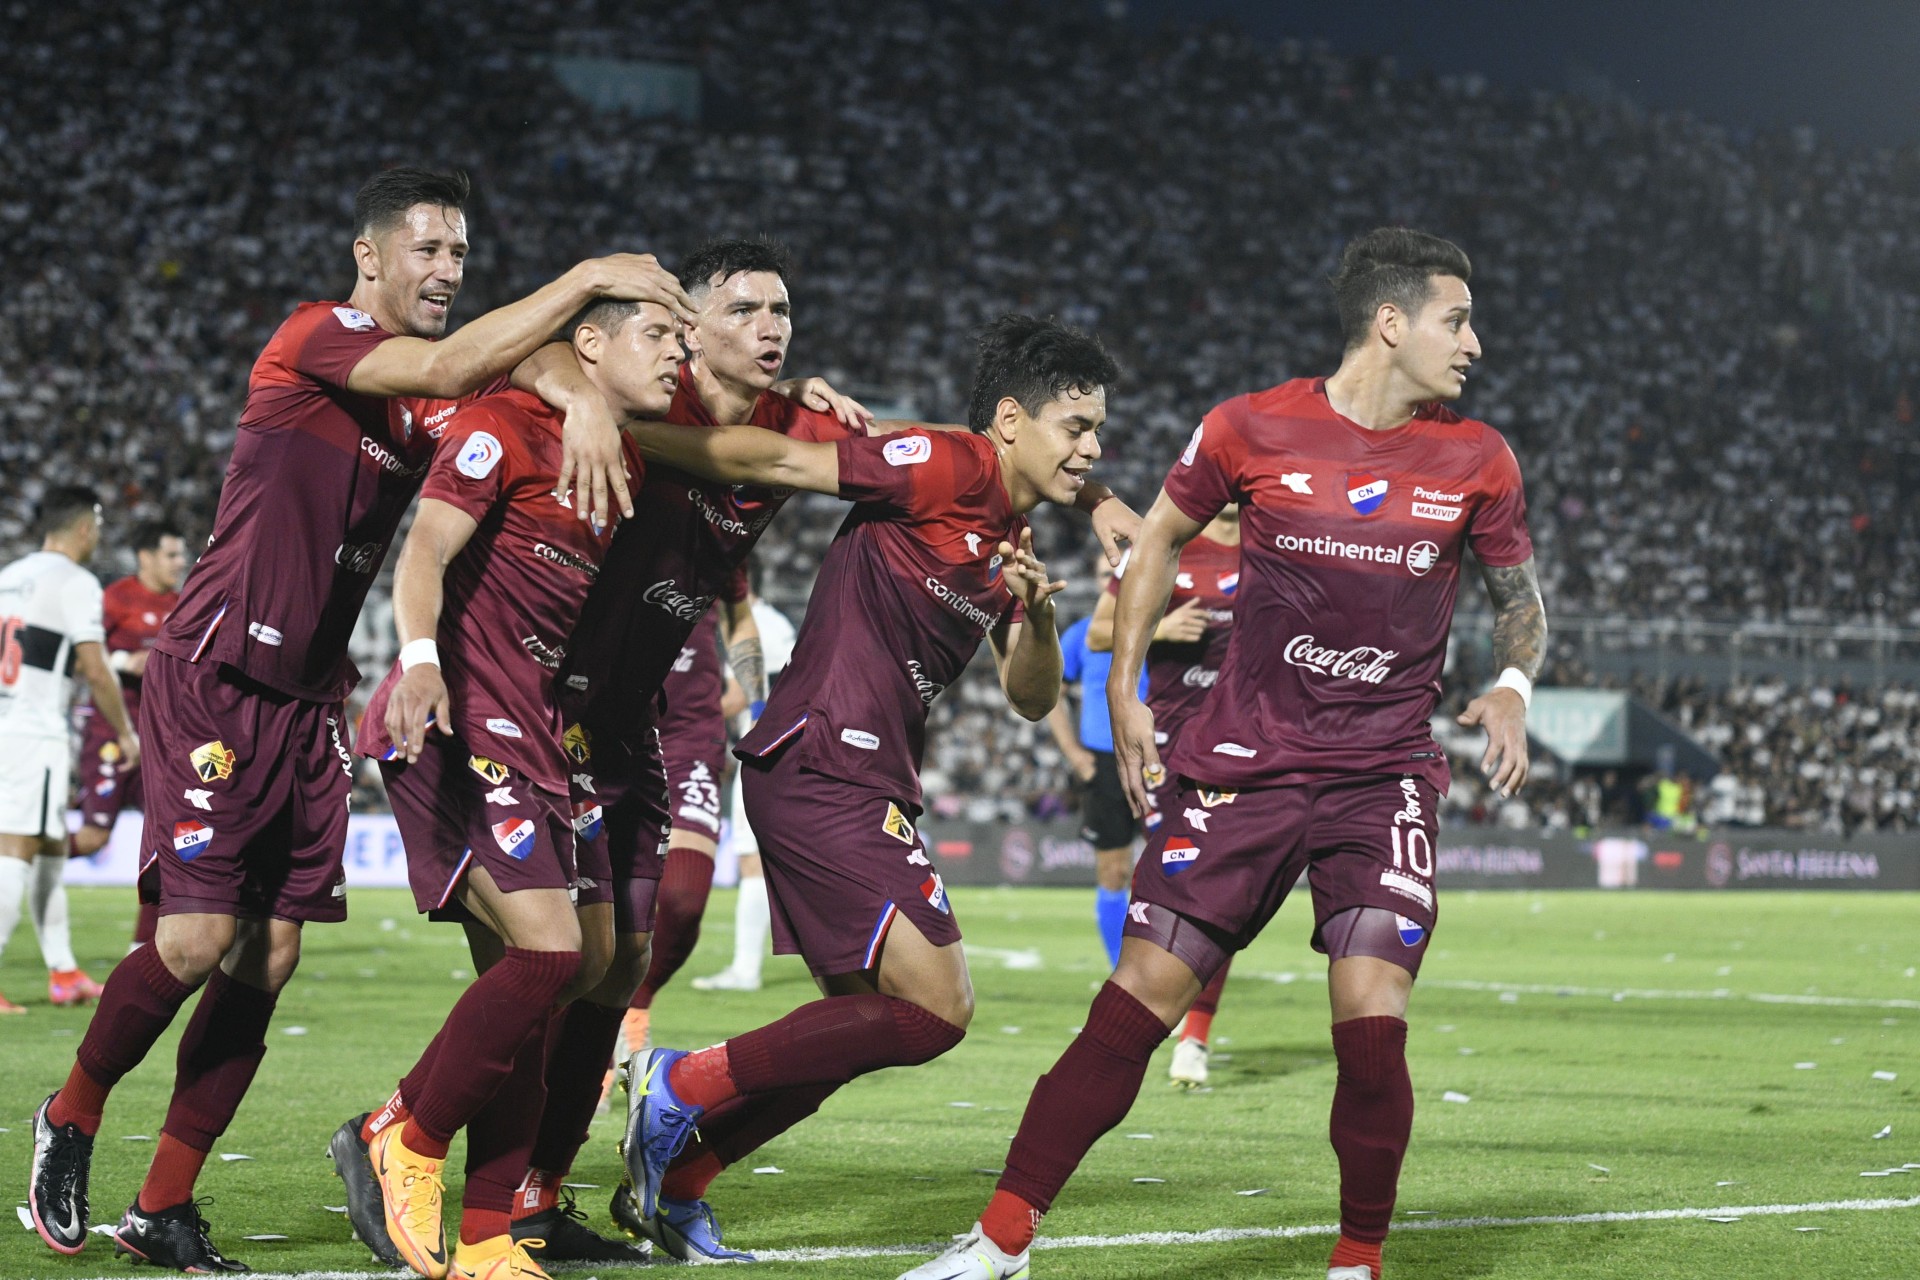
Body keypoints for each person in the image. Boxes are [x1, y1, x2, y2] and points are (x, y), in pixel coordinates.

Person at [26, 164, 694, 1273]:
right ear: (369, 257)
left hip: (312, 697)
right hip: (220, 665)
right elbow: (452, 360)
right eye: (427, 250)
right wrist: (583, 283)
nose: (445, 270)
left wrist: (572, 386)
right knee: (194, 940)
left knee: (268, 955)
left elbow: (484, 373)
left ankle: (163, 1205)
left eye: (460, 256)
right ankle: (75, 1110)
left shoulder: (432, 403)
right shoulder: (318, 338)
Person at [898, 227, 1545, 1280]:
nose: (1474, 342)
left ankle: (1356, 1261)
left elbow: (1522, 604)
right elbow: (1151, 541)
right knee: (1137, 999)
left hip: (1380, 774)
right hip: (1242, 763)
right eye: (1456, 318)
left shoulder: (1480, 457)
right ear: (1392, 323)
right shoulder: (1250, 427)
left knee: (1372, 1017)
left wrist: (1513, 688)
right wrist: (1123, 685)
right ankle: (1003, 1239)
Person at [618, 314, 1118, 1262]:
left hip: (858, 773)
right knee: (938, 1008)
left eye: (1098, 432)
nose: (1092, 452)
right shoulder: (947, 463)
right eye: (1078, 427)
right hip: (822, 761)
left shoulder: (1006, 533)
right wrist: (621, 427)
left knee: (859, 1032)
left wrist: (1040, 615)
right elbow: (778, 460)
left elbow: (1030, 697)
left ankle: (678, 1182)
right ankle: (677, 1083)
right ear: (1012, 420)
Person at [348, 296, 681, 1280]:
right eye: (655, 333)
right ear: (591, 343)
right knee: (549, 951)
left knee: (583, 967)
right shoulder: (501, 425)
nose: (675, 353)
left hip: (546, 727)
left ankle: (492, 1229)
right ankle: (405, 1128)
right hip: (462, 714)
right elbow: (425, 552)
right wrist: (416, 659)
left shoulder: (627, 458)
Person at [1085, 506, 1242, 1087]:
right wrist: (1163, 627)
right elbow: (1101, 629)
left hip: (1245, 741)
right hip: (1170, 742)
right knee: (1170, 877)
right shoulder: (1167, 544)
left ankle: (1194, 1037)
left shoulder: (1279, 546)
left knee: (1220, 887)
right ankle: (1152, 1009)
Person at [0, 489, 136, 1013]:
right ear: (85, 529)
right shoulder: (76, 582)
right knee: (18, 849)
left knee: (53, 846)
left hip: (10, 723)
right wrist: (125, 731)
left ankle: (63, 971)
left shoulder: (9, 575)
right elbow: (94, 666)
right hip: (33, 733)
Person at [69, 520, 186, 953]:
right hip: (110, 733)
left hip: (158, 740)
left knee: (170, 839)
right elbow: (80, 659)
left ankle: (143, 947)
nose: (180, 563)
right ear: (146, 557)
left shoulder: (182, 603)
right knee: (94, 838)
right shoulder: (116, 598)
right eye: (172, 554)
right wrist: (122, 660)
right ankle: (18, 859)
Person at [1042, 555, 1147, 967]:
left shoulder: (1157, 625)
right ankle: (1121, 972)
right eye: (1107, 574)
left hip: (1160, 757)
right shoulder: (1081, 635)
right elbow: (1051, 694)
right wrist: (1075, 756)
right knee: (1114, 873)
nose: (1113, 581)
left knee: (1173, 872)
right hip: (1104, 763)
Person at [693, 587, 797, 993]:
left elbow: (737, 697)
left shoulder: (756, 629)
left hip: (763, 753)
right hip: (786, 750)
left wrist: (686, 716)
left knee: (752, 862)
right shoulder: (777, 624)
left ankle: (745, 969)